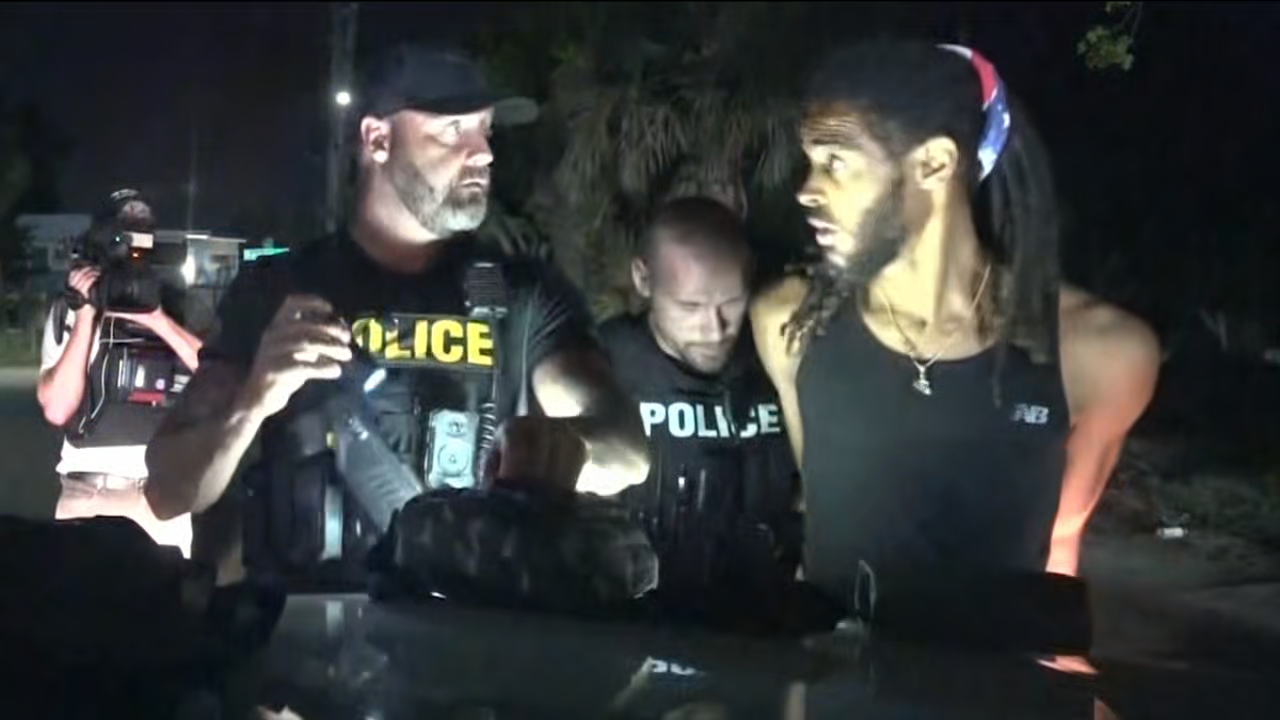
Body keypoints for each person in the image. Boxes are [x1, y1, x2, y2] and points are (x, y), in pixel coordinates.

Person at [143, 45, 649, 586]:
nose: (483, 153)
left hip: (470, 623)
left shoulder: (524, 294)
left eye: (486, 131)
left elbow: (627, 451)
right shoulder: (278, 290)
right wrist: (253, 400)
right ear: (377, 140)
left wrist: (563, 449)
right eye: (453, 131)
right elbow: (168, 491)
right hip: (310, 625)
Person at [749, 40, 1161, 602]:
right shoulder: (788, 323)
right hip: (840, 654)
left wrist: (1053, 654)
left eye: (835, 163)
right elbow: (822, 516)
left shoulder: (1104, 353)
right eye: (811, 163)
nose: (807, 190)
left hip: (998, 657)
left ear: (934, 164)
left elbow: (1060, 540)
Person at [598, 196, 800, 593]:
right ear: (643, 279)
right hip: (643, 610)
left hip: (770, 611)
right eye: (690, 306)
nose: (715, 329)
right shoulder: (602, 364)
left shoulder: (779, 353)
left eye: (731, 303)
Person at [36, 189, 204, 555]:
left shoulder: (175, 305)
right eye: (123, 225)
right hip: (88, 495)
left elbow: (216, 376)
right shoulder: (72, 308)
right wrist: (85, 317)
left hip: (162, 497)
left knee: (168, 594)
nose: (133, 238)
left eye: (142, 224)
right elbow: (58, 409)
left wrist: (158, 320)